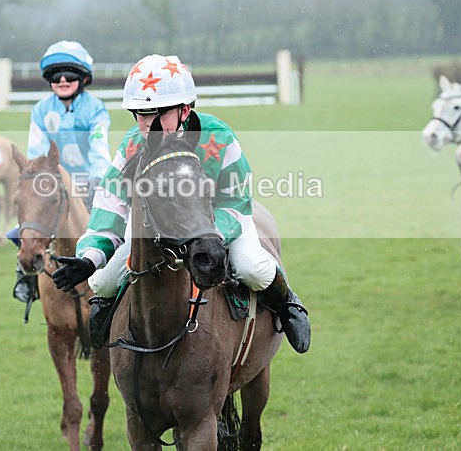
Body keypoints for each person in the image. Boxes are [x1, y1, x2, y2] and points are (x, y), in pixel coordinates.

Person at [50, 54, 311, 354]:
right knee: (103, 281)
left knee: (253, 268)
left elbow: (237, 201)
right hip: (157, 229)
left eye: (157, 114)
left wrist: (204, 237)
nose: (146, 125)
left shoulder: (220, 137)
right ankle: (110, 317)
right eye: (140, 114)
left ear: (185, 108)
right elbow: (111, 207)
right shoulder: (132, 145)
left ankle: (288, 303)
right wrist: (88, 258)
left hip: (219, 225)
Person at [10, 40, 112, 306]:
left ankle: (118, 281)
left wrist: (99, 181)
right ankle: (28, 280)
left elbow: (99, 147)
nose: (63, 80)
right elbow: (37, 149)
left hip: (88, 183)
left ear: (83, 78)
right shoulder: (41, 110)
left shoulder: (96, 109)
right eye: (56, 76)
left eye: (70, 75)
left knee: (115, 229)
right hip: (51, 183)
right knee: (19, 230)